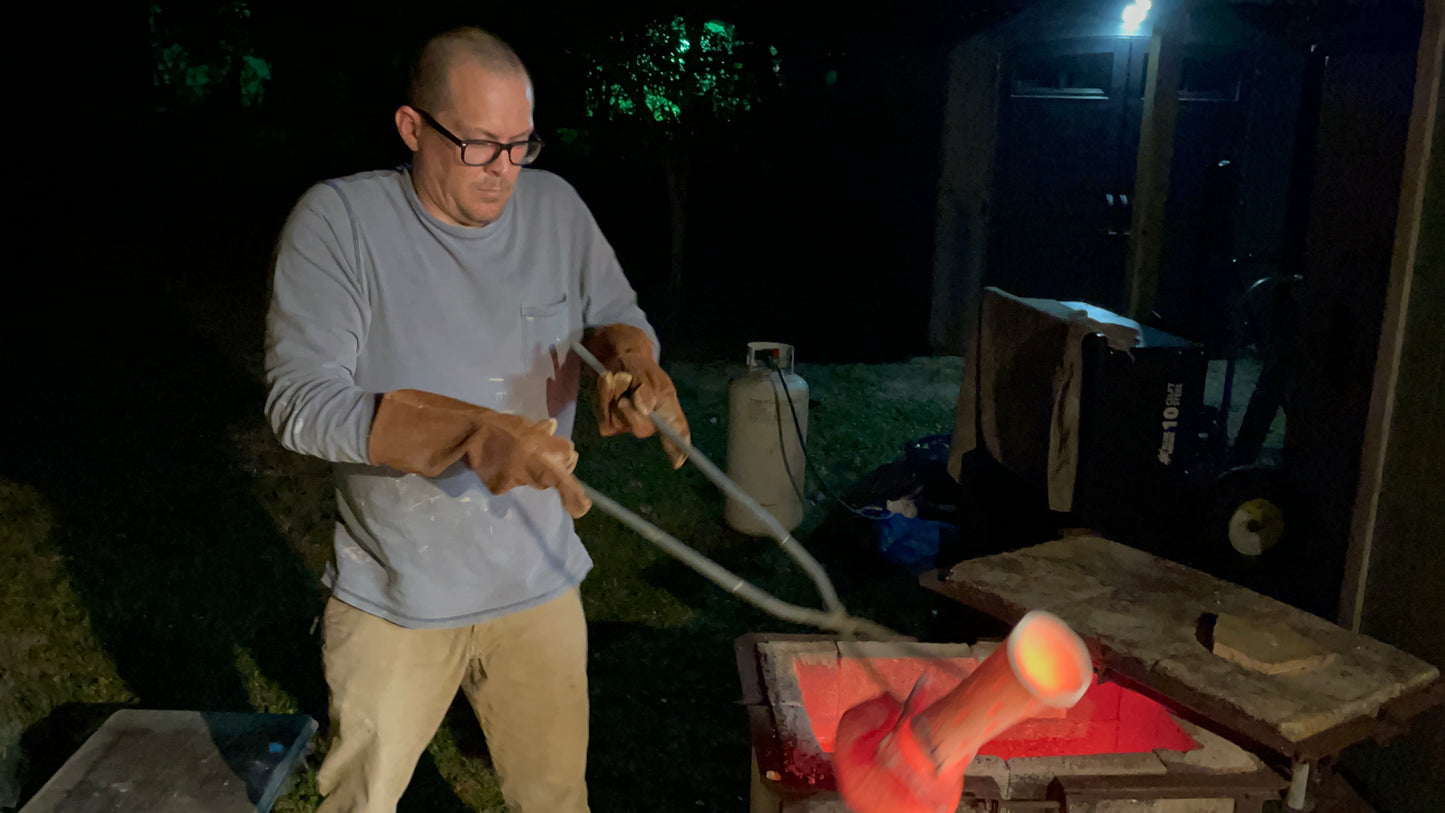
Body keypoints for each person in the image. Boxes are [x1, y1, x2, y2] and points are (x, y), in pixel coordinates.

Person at [263, 25, 690, 813]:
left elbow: (611, 313)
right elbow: (300, 401)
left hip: (537, 581)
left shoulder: (554, 204)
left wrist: (630, 361)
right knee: (362, 799)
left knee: (556, 796)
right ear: (412, 127)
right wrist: (466, 433)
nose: (505, 172)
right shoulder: (340, 223)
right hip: (398, 589)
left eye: (521, 144)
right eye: (480, 145)